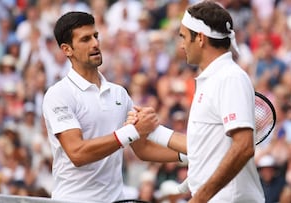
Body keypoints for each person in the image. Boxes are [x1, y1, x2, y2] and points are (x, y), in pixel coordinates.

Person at [131, 1, 265, 202]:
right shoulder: (213, 79)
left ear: (200, 38)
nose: (182, 45)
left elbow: (244, 146)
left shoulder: (229, 77)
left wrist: (200, 198)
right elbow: (199, 146)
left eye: (184, 37)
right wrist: (150, 129)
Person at [42, 11, 181, 203]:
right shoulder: (59, 94)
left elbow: (144, 149)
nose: (95, 44)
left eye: (96, 36)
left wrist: (192, 157)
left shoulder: (119, 94)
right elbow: (78, 153)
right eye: (85, 39)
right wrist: (131, 131)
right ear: (67, 49)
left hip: (115, 199)